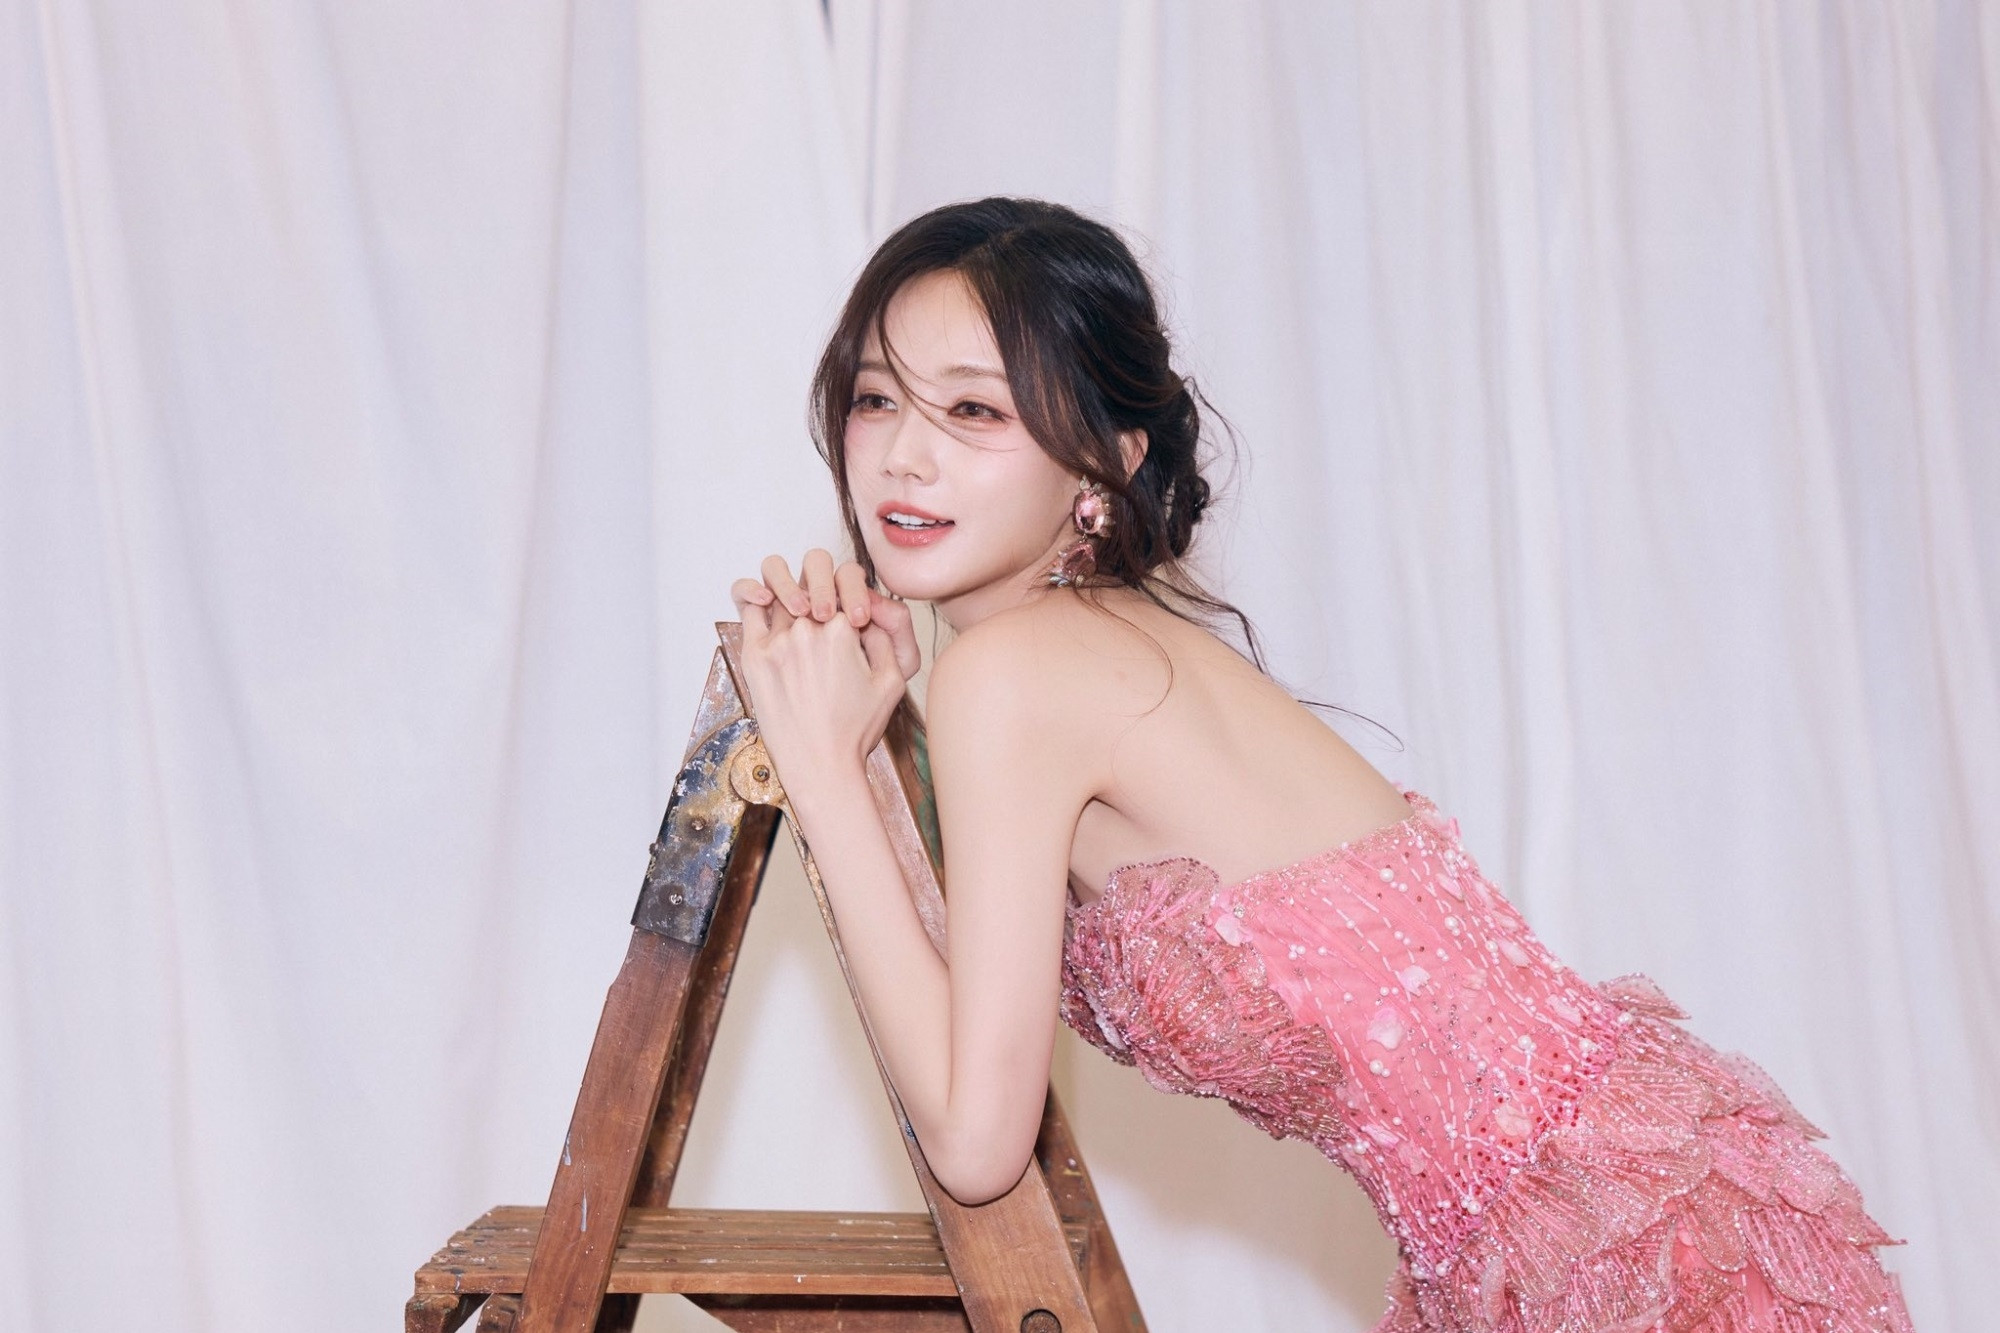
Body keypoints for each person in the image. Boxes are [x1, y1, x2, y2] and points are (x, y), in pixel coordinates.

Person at [727, 198, 1913, 1333]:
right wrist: (864, 746)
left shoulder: (1015, 676)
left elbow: (974, 1143)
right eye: (875, 398)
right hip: (1626, 1223)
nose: (904, 457)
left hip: (1622, 1259)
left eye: (973, 411)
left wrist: (825, 768)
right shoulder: (1081, 654)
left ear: (1103, 462)